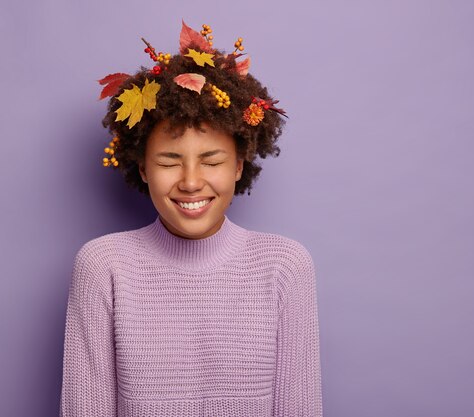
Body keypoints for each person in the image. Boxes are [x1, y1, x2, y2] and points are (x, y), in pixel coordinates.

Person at [59, 21, 323, 417]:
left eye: (211, 160)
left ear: (239, 163)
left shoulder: (284, 267)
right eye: (168, 161)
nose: (191, 181)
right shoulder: (103, 266)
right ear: (143, 167)